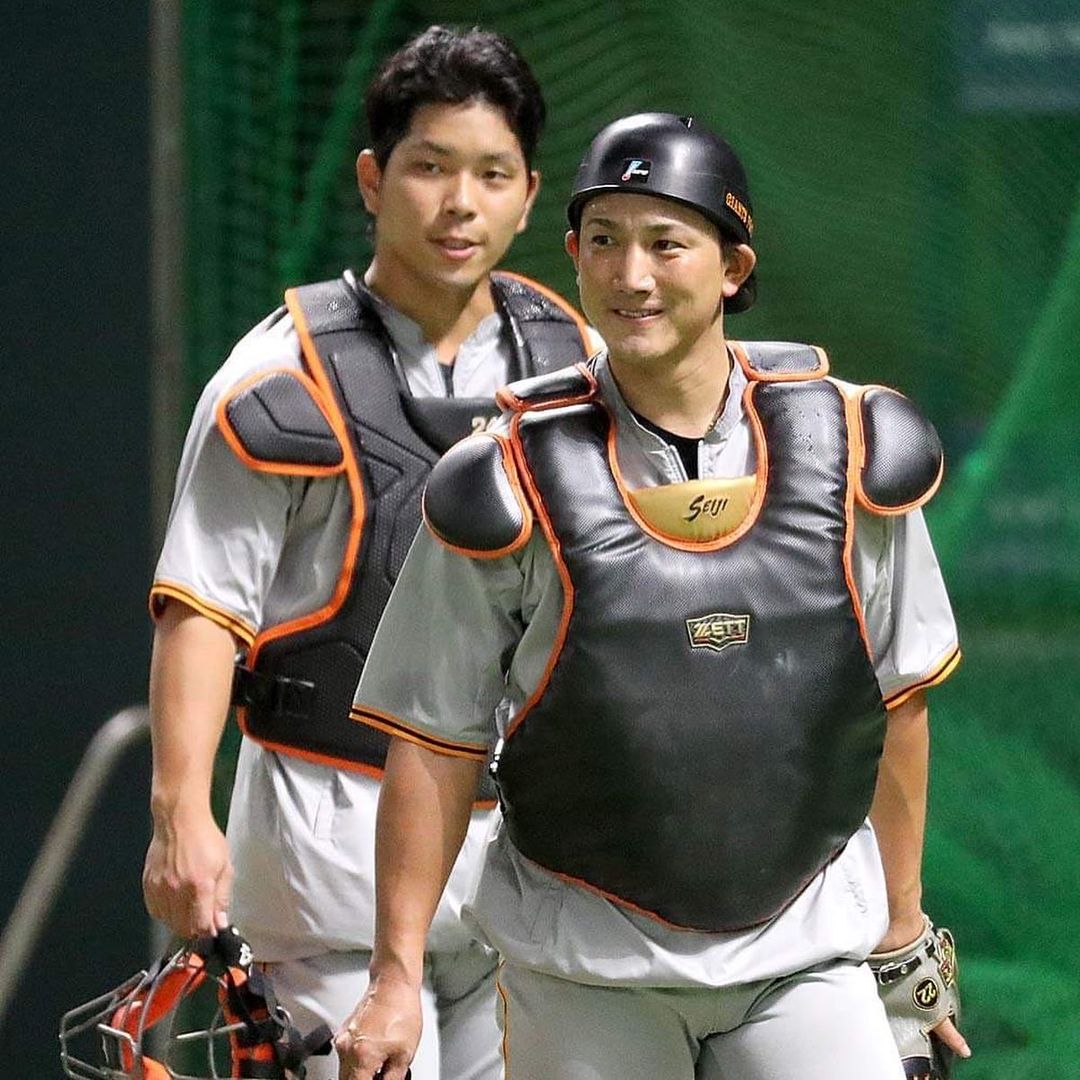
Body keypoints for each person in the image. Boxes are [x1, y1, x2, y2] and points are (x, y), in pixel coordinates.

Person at [337, 113, 972, 1080]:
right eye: (604, 240)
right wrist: (393, 977)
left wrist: (902, 929)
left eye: (666, 243)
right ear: (573, 256)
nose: (630, 275)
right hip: (584, 969)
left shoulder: (853, 453)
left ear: (732, 267)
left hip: (803, 954)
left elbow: (899, 700)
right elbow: (433, 740)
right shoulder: (503, 480)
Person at [141, 25, 594, 1080]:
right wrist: (179, 813)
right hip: (326, 862)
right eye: (430, 167)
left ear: (530, 196)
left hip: (520, 866)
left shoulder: (577, 366)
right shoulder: (277, 378)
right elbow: (203, 606)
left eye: (493, 175)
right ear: (372, 179)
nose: (460, 204)